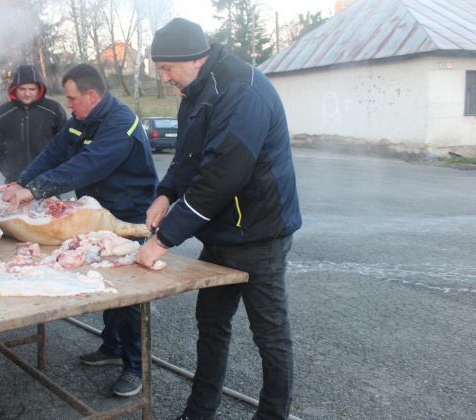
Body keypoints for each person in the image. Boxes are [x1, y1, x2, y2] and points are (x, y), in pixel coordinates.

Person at [137, 18, 302, 420]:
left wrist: (162, 240)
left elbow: (220, 176)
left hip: (260, 232)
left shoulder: (241, 90)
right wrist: (165, 192)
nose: (164, 77)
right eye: (160, 69)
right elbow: (187, 157)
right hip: (221, 233)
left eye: (167, 68)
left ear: (195, 58)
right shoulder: (192, 90)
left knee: (269, 336)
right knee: (210, 325)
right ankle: (199, 412)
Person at [2, 63, 159, 397]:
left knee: (129, 292)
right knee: (105, 280)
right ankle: (111, 346)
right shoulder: (80, 121)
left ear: (91, 95)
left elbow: (87, 165)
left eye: (73, 98)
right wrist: (23, 180)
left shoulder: (121, 122)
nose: (68, 105)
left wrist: (34, 191)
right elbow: (54, 153)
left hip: (129, 214)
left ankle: (135, 367)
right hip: (98, 211)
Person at [0, 64, 68, 183]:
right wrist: (7, 170)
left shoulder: (53, 109)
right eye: (22, 89)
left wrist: (55, 169)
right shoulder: (3, 112)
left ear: (39, 89)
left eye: (32, 89)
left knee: (53, 203)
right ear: (15, 89)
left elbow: (65, 143)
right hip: (15, 181)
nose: (27, 93)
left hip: (47, 180)